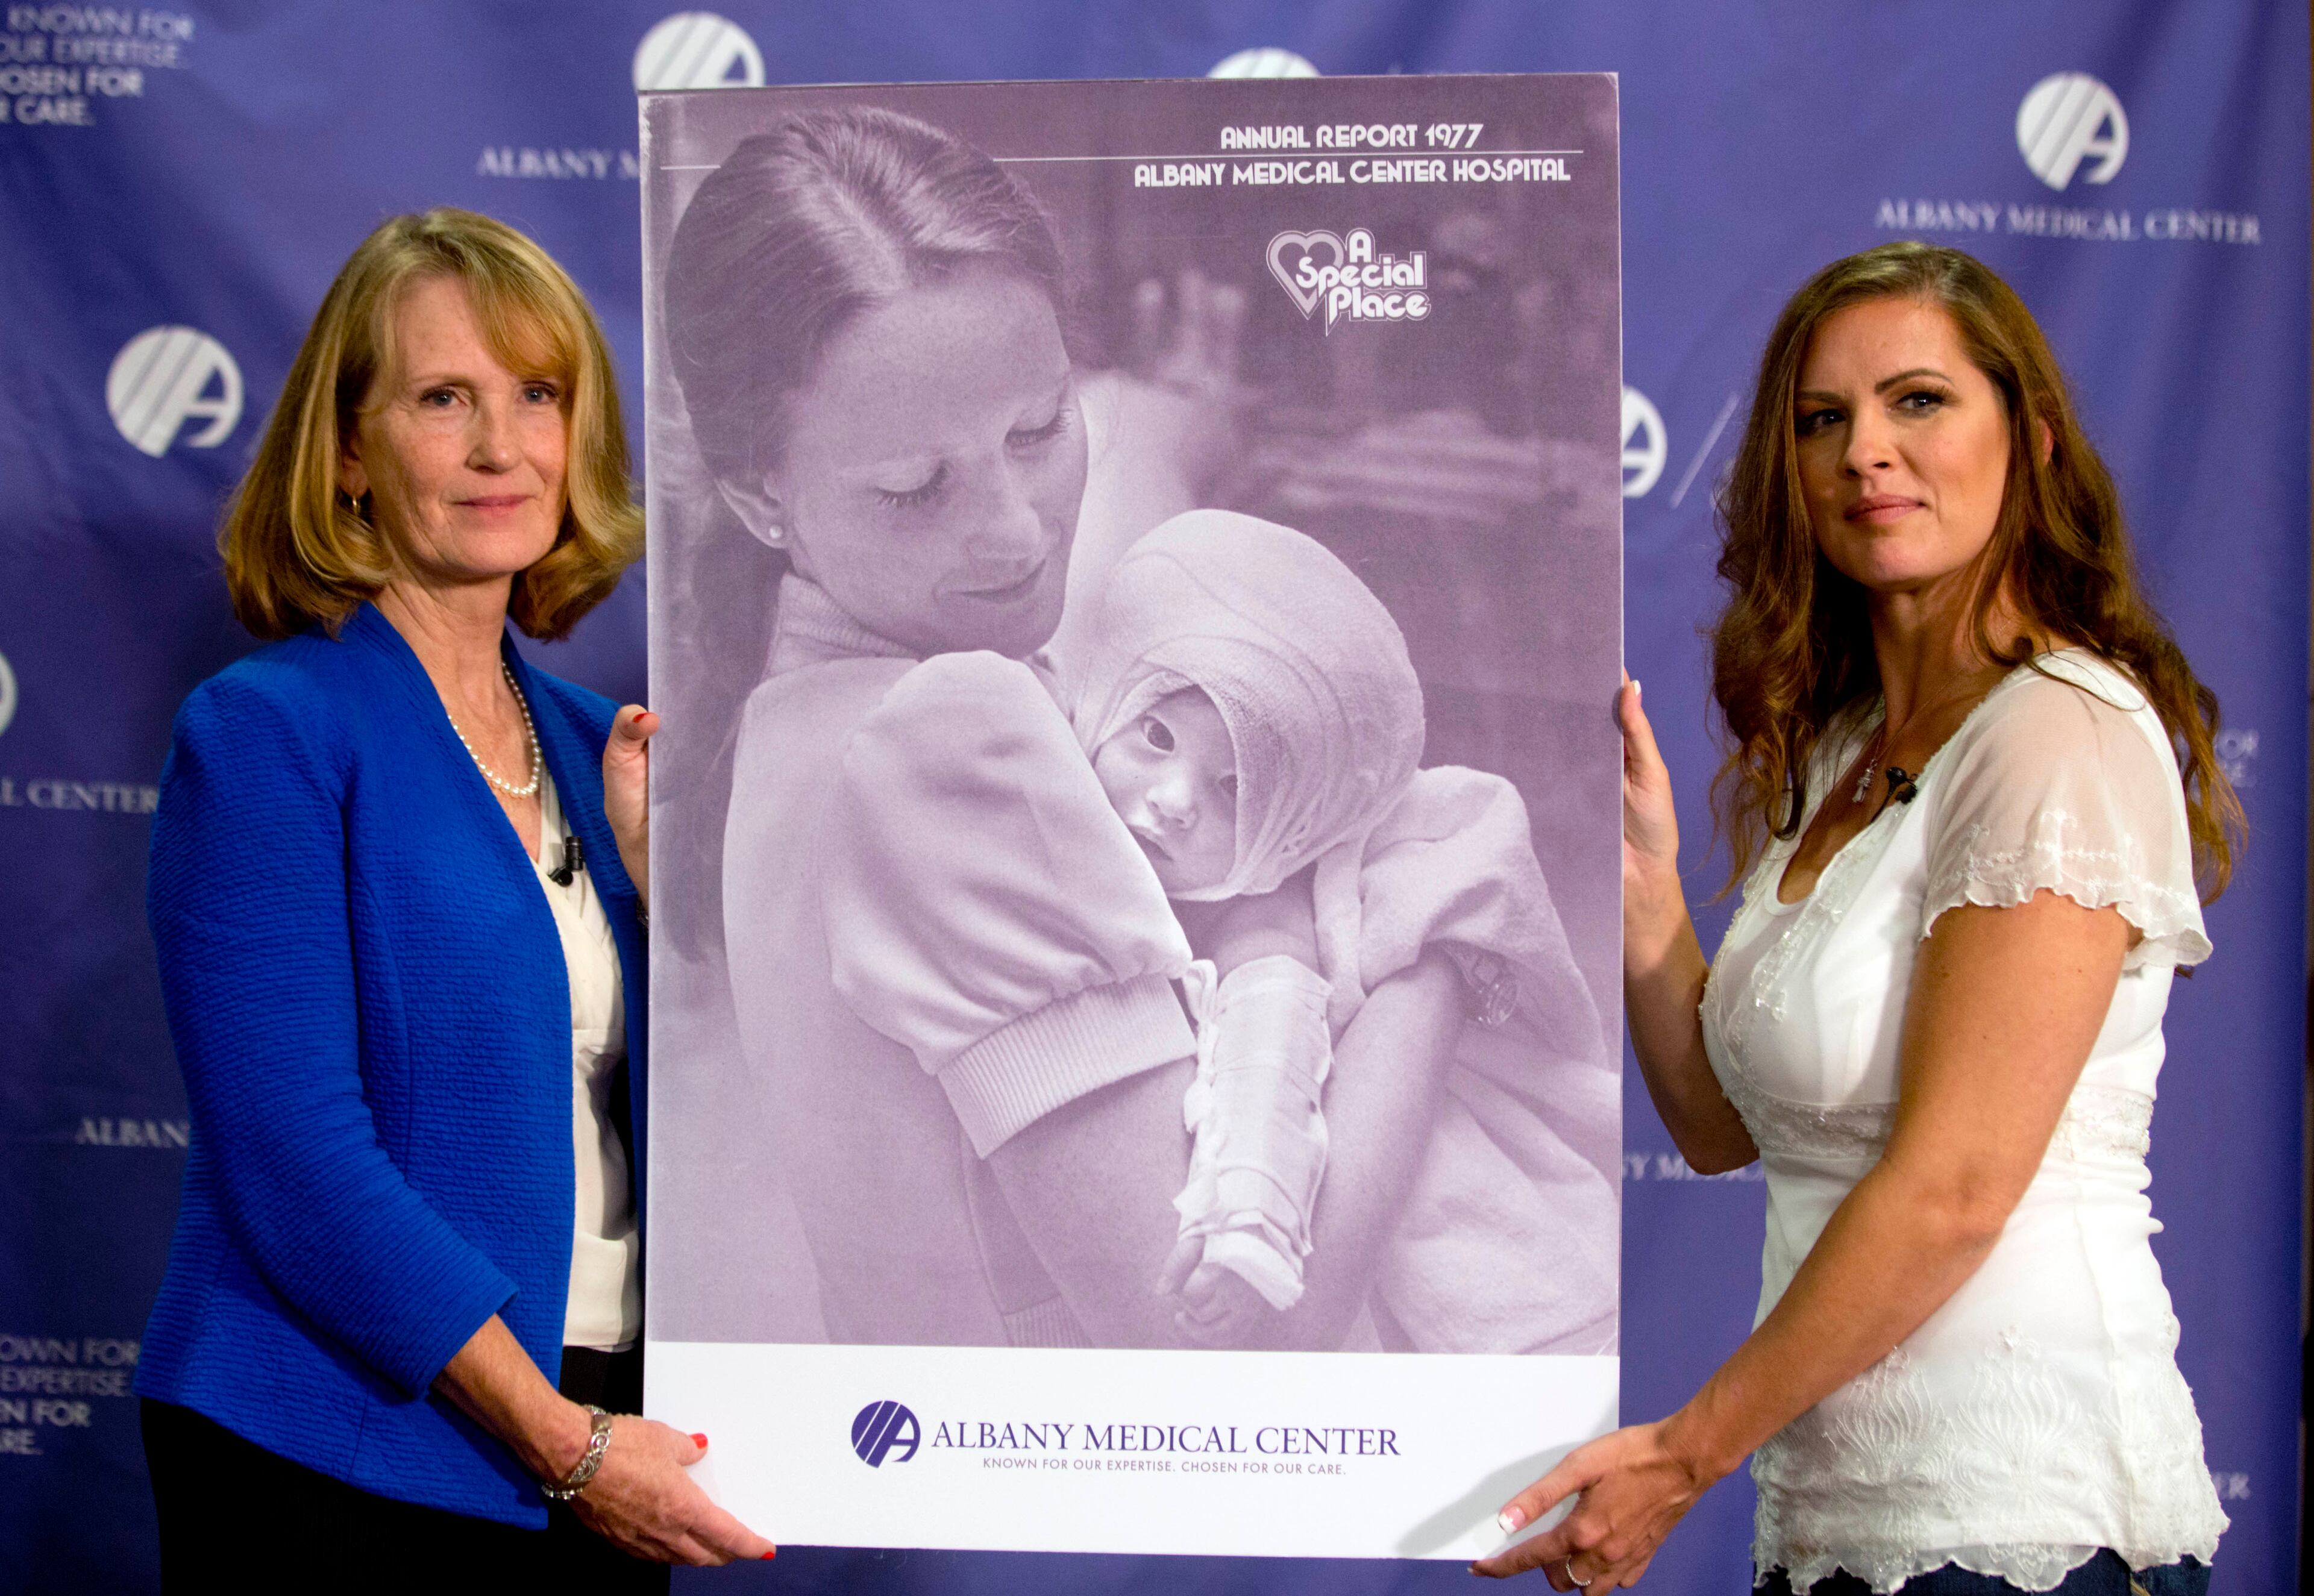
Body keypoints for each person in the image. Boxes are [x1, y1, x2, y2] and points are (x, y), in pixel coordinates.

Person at [1476, 241, 2236, 1594]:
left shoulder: (2056, 727)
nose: (1865, 453)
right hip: (1838, 1530)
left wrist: (1679, 1456)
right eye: (1823, 420)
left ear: (2035, 441)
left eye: (1919, 402)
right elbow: (1719, 1126)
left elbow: (1955, 1190)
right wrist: (1646, 882)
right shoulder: (1839, 750)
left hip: (2026, 1533)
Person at [658, 105, 1466, 1354]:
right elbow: (1226, 1344)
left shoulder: (787, 723)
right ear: (762, 498)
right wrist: (1435, 962)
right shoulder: (946, 733)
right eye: (916, 488)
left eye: (1037, 432)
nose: (1021, 532)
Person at [135, 208, 776, 1585]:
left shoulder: (614, 747)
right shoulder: (269, 734)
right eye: (445, 399)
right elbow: (298, 1158)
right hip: (341, 1456)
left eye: (538, 396)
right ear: (351, 452)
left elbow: (745, 1119)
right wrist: (565, 1443)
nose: (504, 448)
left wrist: (683, 930)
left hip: (607, 1426)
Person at [1068, 509, 1619, 1351]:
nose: (1175, 800)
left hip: (1393, 1248)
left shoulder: (1263, 910)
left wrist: (1249, 1233)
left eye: (1232, 788)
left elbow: (1269, 1067)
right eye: (1156, 734)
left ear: (1290, 820)